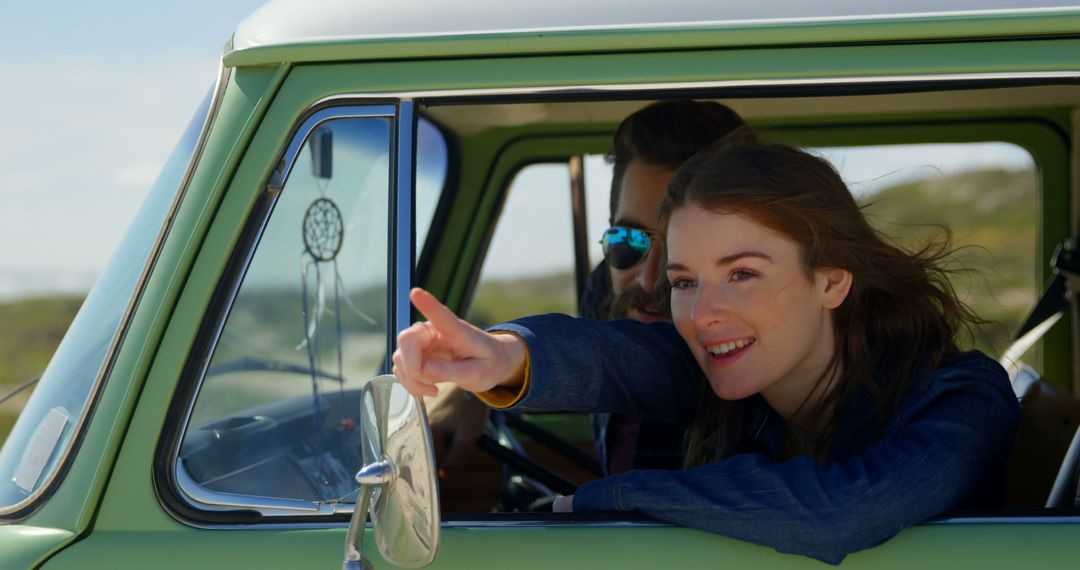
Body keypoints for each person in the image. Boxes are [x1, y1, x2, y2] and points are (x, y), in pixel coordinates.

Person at [393, 135, 1021, 563]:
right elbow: (616, 356)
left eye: (743, 274)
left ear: (830, 280)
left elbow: (839, 514)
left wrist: (616, 498)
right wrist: (500, 355)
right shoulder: (722, 363)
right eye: (685, 282)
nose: (701, 315)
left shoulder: (962, 397)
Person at [428, 100, 746, 476]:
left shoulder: (746, 357)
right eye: (628, 239)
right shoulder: (607, 288)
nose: (648, 277)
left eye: (681, 246)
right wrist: (476, 386)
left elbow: (626, 362)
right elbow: (585, 351)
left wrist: (501, 362)